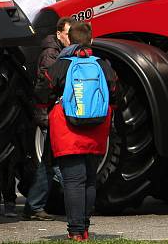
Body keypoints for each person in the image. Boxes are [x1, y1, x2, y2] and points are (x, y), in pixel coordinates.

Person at [40, 21, 118, 241]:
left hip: (68, 129)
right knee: (90, 179)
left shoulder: (62, 64)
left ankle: (75, 231)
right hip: (96, 128)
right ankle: (84, 228)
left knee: (73, 180)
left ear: (69, 40)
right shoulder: (103, 64)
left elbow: (42, 90)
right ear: (91, 40)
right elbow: (115, 93)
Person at [23, 17, 73, 221]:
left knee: (49, 162)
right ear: (59, 33)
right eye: (68, 33)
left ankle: (34, 205)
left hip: (50, 115)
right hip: (48, 116)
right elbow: (47, 85)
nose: (70, 38)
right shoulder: (51, 54)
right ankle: (79, 202)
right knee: (56, 163)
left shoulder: (57, 52)